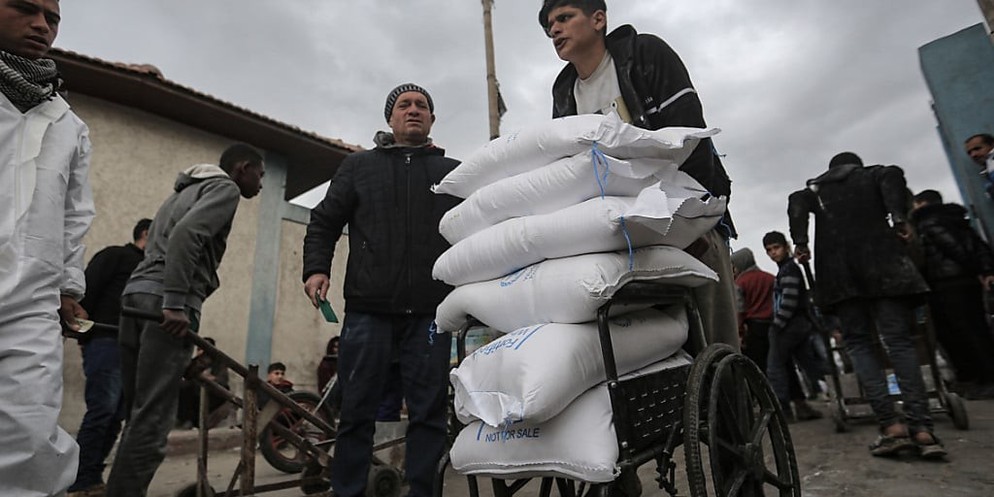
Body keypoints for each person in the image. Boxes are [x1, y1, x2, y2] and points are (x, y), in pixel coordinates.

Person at [539, 0, 738, 348]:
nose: (554, 29)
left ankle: (733, 401)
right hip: (626, 240)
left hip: (690, 226)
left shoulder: (644, 53)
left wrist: (693, 222)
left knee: (713, 345)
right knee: (657, 353)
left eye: (565, 18)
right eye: (549, 25)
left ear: (598, 19)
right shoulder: (564, 93)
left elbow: (691, 136)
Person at [302, 83, 459, 497]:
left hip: (430, 312)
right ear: (389, 118)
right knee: (356, 410)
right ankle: (348, 490)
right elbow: (324, 221)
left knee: (428, 413)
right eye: (404, 105)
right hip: (368, 310)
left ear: (431, 119)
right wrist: (316, 269)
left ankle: (423, 490)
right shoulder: (359, 167)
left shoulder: (452, 175)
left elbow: (477, 230)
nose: (413, 110)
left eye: (421, 105)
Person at [105, 143, 265, 497]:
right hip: (166, 301)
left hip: (137, 297)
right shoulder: (224, 189)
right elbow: (187, 236)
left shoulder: (183, 191)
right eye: (260, 174)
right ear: (242, 168)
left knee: (138, 413)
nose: (262, 183)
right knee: (154, 418)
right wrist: (176, 302)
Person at [788, 152, 944, 459]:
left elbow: (796, 201)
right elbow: (893, 174)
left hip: (840, 277)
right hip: (884, 269)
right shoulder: (874, 175)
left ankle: (891, 427)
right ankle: (923, 429)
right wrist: (898, 218)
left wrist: (801, 241)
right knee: (899, 343)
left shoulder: (817, 189)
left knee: (859, 345)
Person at [0, 1, 97, 495]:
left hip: (30, 304)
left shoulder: (68, 125)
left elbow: (74, 215)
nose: (41, 24)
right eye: (24, 8)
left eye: (52, 18)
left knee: (30, 436)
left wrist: (67, 286)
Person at [67, 219, 150, 496]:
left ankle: (91, 476)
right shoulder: (116, 255)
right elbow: (85, 296)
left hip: (131, 349)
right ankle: (80, 480)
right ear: (146, 234)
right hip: (106, 340)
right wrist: (84, 336)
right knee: (102, 411)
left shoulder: (151, 269)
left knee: (115, 416)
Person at [911, 189, 994, 399]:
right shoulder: (956, 218)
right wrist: (983, 270)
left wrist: (974, 268)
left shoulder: (927, 222)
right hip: (963, 281)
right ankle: (982, 376)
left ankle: (983, 378)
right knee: (976, 328)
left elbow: (952, 246)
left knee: (962, 332)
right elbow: (977, 245)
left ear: (920, 204)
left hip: (947, 283)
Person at [762, 231, 825, 422]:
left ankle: (783, 409)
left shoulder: (789, 270)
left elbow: (789, 300)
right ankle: (803, 404)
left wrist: (777, 324)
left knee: (775, 368)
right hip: (797, 325)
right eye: (769, 250)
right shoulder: (786, 269)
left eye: (776, 248)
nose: (773, 253)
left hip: (789, 325)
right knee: (808, 364)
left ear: (786, 247)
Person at [731, 248, 774, 371]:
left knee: (760, 366)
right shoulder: (770, 278)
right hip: (776, 325)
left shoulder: (740, 282)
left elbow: (740, 310)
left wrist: (739, 333)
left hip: (755, 329)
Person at [175, 337, 230, 429]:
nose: (201, 352)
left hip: (213, 394)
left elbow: (222, 380)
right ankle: (187, 420)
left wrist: (206, 378)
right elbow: (186, 375)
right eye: (199, 348)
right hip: (195, 393)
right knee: (183, 388)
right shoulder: (196, 361)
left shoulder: (219, 362)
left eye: (204, 348)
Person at [964, 133, 994, 200]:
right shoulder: (988, 171)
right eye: (969, 153)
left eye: (977, 149)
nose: (973, 155)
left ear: (992, 146)